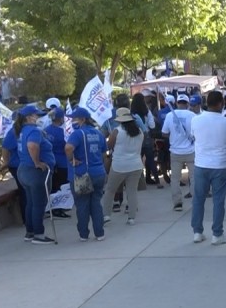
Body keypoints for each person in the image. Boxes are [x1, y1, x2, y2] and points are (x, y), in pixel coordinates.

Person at [190, 90, 226, 245]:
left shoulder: (196, 120)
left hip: (201, 164)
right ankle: (217, 233)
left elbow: (194, 136)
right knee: (218, 200)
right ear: (221, 103)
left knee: (198, 199)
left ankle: (197, 231)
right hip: (219, 164)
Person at [65, 107, 107, 242]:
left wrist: (71, 159)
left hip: (83, 174)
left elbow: (68, 147)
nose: (72, 121)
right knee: (96, 202)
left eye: (74, 119)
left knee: (82, 205)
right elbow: (103, 152)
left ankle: (84, 234)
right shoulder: (98, 133)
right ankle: (99, 233)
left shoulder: (78, 134)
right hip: (99, 172)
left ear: (82, 119)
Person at [15, 105, 55, 244]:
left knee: (31, 203)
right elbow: (32, 146)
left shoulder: (22, 130)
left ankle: (30, 232)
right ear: (29, 117)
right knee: (39, 203)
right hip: (35, 172)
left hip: (24, 169)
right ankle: (39, 234)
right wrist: (37, 162)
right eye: (36, 115)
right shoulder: (33, 131)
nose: (38, 117)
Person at [102, 108, 144, 225]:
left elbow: (108, 146)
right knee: (132, 191)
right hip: (136, 164)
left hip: (119, 165)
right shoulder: (139, 131)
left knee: (110, 190)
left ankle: (106, 215)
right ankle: (131, 217)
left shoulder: (117, 131)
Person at [162, 92, 196, 211]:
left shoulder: (169, 115)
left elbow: (164, 133)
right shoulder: (192, 115)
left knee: (175, 179)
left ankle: (177, 203)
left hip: (175, 151)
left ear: (177, 103)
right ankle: (195, 202)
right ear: (188, 104)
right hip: (191, 151)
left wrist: (173, 137)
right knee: (194, 177)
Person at [131, 92, 162, 188]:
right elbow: (152, 125)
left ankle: (138, 181)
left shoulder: (131, 113)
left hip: (135, 137)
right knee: (150, 159)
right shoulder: (147, 112)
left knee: (137, 159)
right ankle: (157, 180)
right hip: (147, 136)